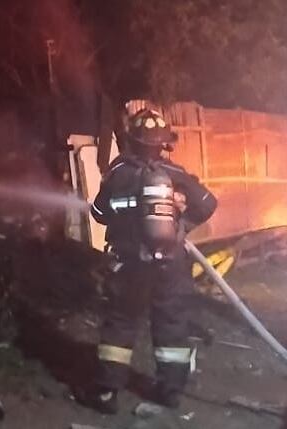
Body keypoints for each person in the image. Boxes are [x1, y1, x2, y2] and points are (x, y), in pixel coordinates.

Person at [86, 108, 217, 414]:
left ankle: (106, 394)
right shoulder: (176, 174)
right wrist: (182, 224)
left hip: (130, 265)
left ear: (131, 140)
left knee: (121, 324)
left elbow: (98, 213)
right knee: (171, 324)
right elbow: (209, 204)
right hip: (171, 264)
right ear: (163, 143)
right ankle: (170, 392)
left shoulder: (118, 172)